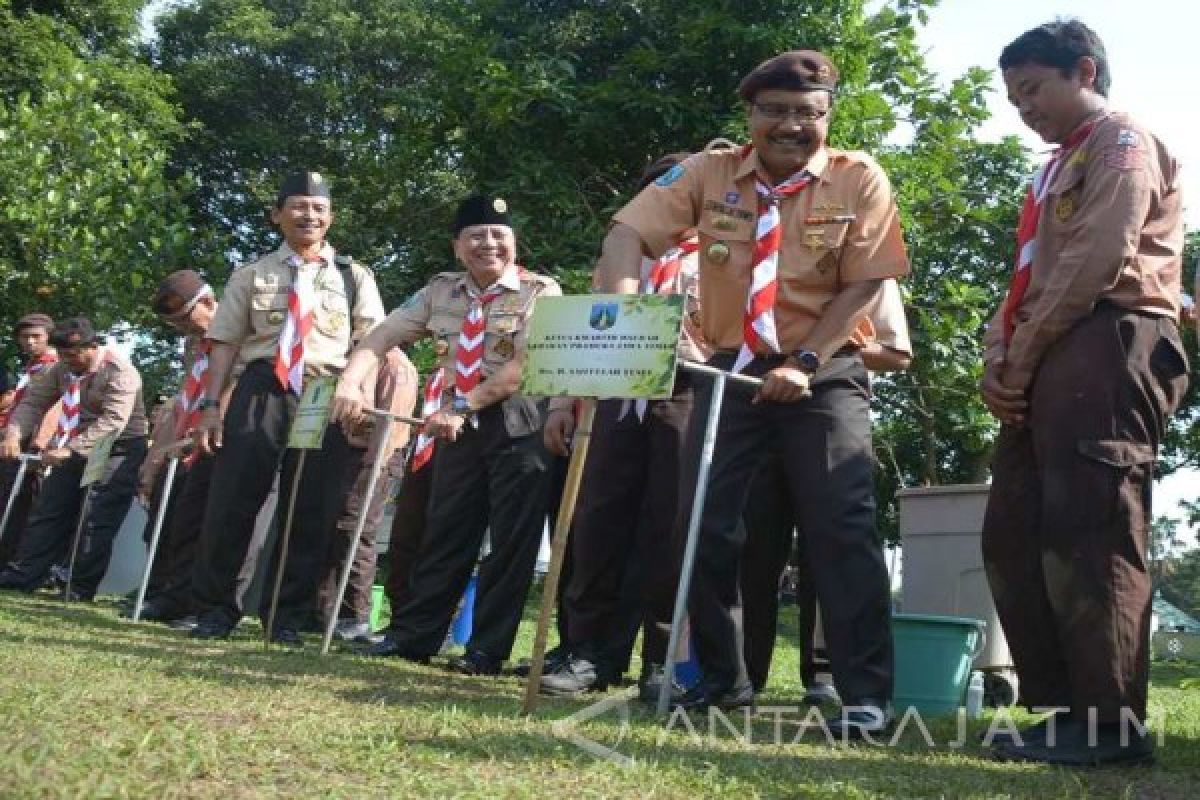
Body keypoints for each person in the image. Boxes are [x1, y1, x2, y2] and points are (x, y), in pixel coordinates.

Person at [593, 50, 908, 735]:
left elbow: (866, 280)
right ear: (751, 115)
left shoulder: (859, 179)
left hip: (823, 369)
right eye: (775, 112)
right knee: (705, 521)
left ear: (827, 115)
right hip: (731, 367)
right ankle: (723, 679)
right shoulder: (708, 172)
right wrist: (622, 316)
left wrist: (804, 358)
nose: (791, 126)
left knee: (841, 527)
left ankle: (865, 695)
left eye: (808, 114)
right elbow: (628, 231)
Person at [980, 19, 1188, 766]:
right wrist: (998, 355)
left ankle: (1112, 724)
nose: (1023, 109)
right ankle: (1068, 709)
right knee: (1017, 530)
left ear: (1085, 72)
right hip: (1051, 348)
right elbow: (1032, 276)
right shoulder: (1052, 167)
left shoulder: (1120, 143)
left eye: (1033, 89)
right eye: (1013, 98)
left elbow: (1101, 257)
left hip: (1109, 337)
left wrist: (1025, 355)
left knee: (1091, 530)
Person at [333, 193, 561, 674]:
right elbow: (380, 338)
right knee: (446, 531)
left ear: (514, 242)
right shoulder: (439, 292)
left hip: (518, 422)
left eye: (499, 234)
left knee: (509, 542)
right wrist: (351, 382)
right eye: (476, 235)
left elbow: (523, 366)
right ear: (458, 246)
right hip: (457, 426)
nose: (489, 243)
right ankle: (414, 638)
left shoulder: (542, 291)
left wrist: (462, 405)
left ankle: (486, 650)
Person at [189, 171, 385, 644]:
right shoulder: (251, 273)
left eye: (319, 209)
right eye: (298, 206)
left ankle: (285, 614)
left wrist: (358, 395)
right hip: (262, 387)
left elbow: (372, 342)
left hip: (325, 390)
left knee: (310, 506)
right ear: (277, 215)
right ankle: (218, 608)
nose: (309, 215)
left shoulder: (353, 276)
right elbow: (224, 346)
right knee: (235, 498)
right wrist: (211, 405)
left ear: (331, 218)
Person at [539, 151, 705, 697]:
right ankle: (589, 653)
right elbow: (585, 332)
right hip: (614, 397)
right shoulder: (618, 262)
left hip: (687, 391)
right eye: (654, 191)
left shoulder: (725, 255)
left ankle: (662, 662)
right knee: (599, 521)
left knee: (672, 525)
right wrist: (564, 401)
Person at [741, 279, 912, 700]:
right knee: (750, 537)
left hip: (828, 402)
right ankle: (739, 673)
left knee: (833, 540)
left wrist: (822, 349)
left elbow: (895, 355)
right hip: (755, 401)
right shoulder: (761, 263)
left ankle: (827, 673)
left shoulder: (871, 276)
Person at [0, 317, 148, 600]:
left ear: (92, 347)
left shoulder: (120, 372)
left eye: (73, 355)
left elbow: (113, 421)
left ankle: (79, 585)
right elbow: (34, 401)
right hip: (77, 443)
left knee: (95, 514)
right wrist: (13, 433)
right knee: (49, 506)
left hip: (117, 447)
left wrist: (70, 449)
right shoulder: (62, 369)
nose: (68, 361)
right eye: (63, 355)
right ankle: (26, 574)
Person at [130, 270, 225, 626]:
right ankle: (164, 594)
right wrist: (158, 454)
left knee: (201, 527)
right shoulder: (194, 345)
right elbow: (186, 396)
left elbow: (234, 386)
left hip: (218, 440)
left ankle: (192, 602)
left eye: (187, 318)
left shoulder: (237, 333)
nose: (184, 328)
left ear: (208, 302)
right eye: (176, 323)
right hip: (183, 446)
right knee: (170, 524)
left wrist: (205, 428)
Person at [317, 347, 417, 641]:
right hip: (347, 452)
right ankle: (325, 611)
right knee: (334, 527)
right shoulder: (352, 361)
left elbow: (392, 425)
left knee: (356, 530)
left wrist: (375, 467)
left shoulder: (396, 367)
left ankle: (355, 615)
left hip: (377, 456)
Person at [0, 313, 59, 564]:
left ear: (49, 337)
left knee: (20, 502)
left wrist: (40, 443)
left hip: (35, 444)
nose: (30, 342)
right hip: (18, 439)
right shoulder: (32, 366)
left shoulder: (54, 365)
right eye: (25, 337)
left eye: (36, 336)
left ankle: (12, 558)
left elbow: (55, 407)